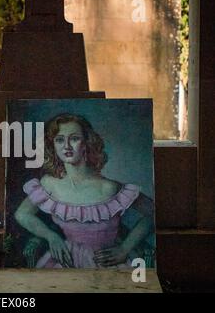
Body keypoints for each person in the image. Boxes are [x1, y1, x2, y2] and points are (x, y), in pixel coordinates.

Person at [14, 113, 154, 268]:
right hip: (66, 261)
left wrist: (124, 248)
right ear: (52, 145)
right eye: (60, 140)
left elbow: (152, 213)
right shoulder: (49, 183)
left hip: (105, 263)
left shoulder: (108, 188)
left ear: (87, 143)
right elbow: (22, 214)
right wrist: (51, 236)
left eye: (74, 138)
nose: (66, 146)